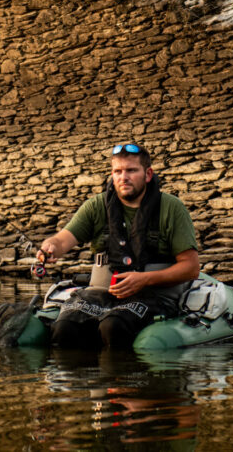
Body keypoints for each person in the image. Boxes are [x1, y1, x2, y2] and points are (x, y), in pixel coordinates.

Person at [36, 143, 200, 349]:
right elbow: (61, 240)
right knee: (65, 328)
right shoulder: (96, 206)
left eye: (131, 170)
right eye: (118, 171)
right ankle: (75, 378)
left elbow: (191, 268)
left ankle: (119, 378)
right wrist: (49, 247)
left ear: (148, 174)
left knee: (113, 326)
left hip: (154, 296)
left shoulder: (172, 208)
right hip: (100, 294)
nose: (124, 177)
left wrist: (145, 279)